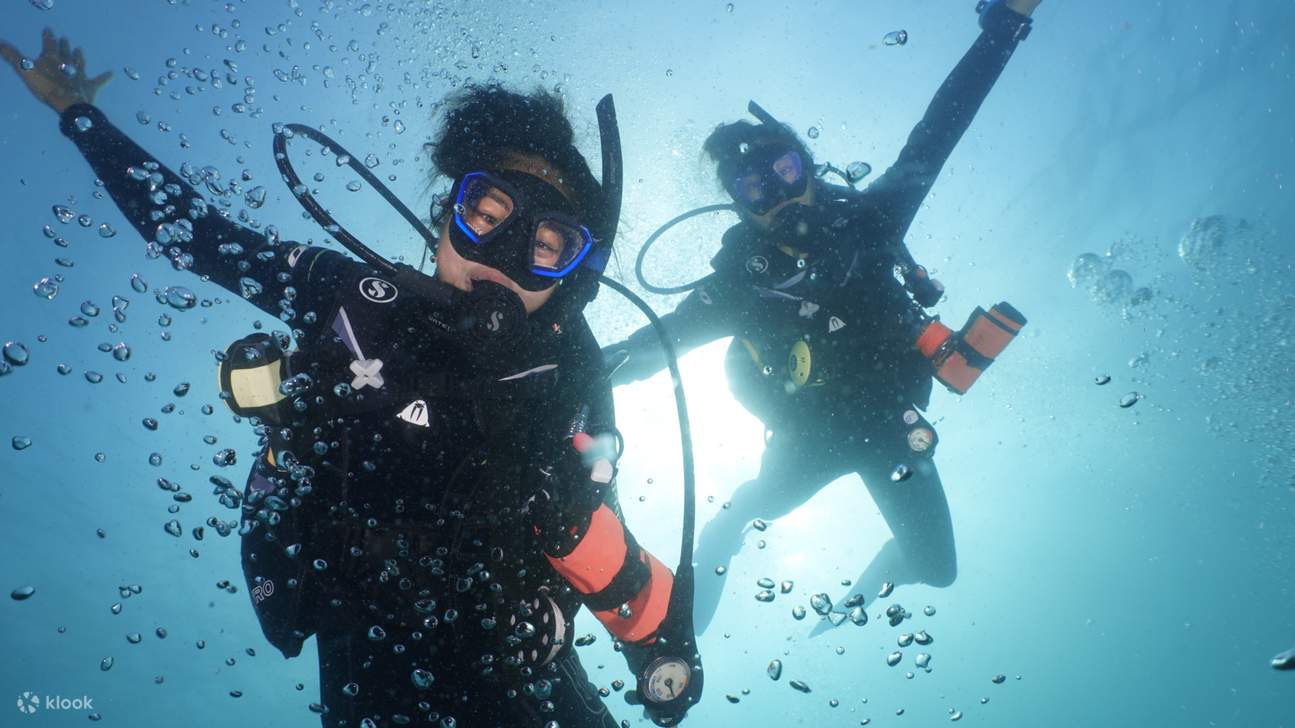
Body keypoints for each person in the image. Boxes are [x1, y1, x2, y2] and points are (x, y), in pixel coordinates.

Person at [2, 30, 702, 727]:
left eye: (546, 246)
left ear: (571, 278)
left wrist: (647, 650)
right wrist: (76, 112)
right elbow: (198, 236)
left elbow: (594, 520)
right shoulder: (355, 300)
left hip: (520, 670)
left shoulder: (565, 365)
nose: (503, 257)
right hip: (365, 657)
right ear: (444, 218)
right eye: (486, 216)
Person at [602, 0, 1041, 635]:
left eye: (785, 171)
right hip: (807, 438)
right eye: (756, 188)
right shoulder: (741, 284)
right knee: (755, 507)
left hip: (890, 427)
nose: (780, 195)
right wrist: (552, 373)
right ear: (740, 206)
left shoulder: (871, 222)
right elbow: (655, 346)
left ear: (809, 168)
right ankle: (716, 552)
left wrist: (1005, 24)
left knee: (937, 569)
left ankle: (858, 587)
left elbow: (938, 132)